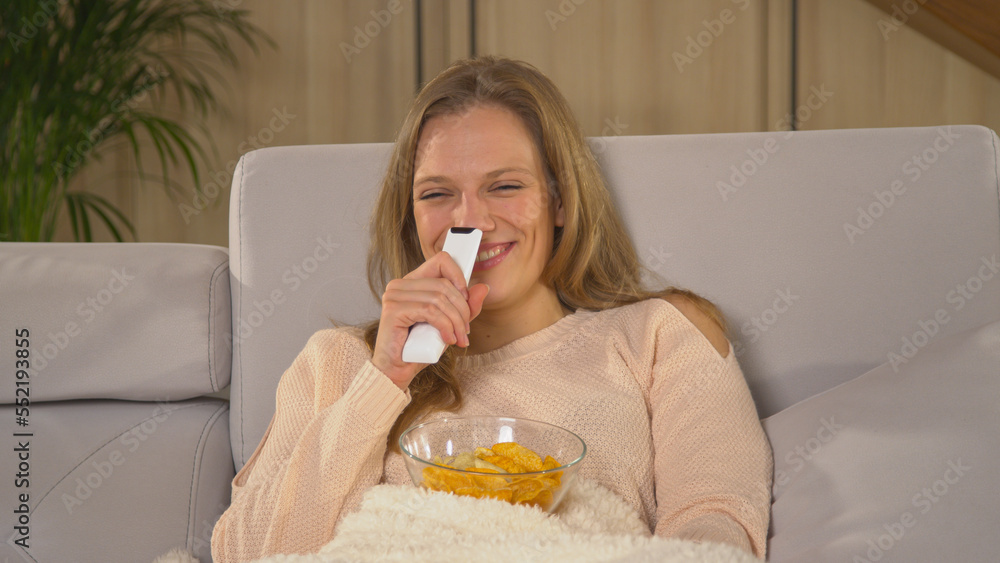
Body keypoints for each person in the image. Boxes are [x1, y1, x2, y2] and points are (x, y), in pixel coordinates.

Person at [212, 55, 772, 561]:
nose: (471, 220)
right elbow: (248, 553)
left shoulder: (656, 335)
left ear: (559, 200)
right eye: (436, 193)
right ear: (411, 217)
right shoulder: (338, 363)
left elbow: (715, 525)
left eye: (504, 186)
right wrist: (383, 380)